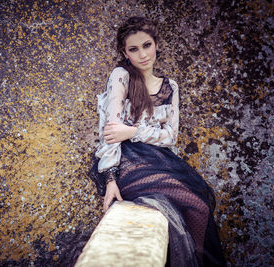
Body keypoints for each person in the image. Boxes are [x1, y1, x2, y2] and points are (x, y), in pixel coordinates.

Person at [89, 16, 226, 266]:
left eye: (147, 45)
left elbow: (170, 136)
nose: (142, 54)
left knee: (200, 207)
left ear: (156, 45)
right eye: (134, 49)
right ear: (124, 52)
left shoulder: (170, 86)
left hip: (161, 161)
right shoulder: (121, 76)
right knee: (189, 204)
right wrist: (110, 179)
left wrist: (132, 132)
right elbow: (110, 133)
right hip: (127, 162)